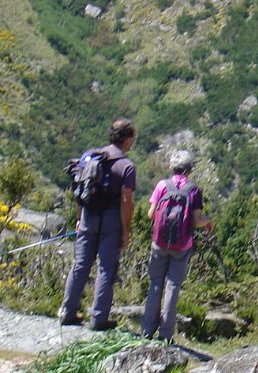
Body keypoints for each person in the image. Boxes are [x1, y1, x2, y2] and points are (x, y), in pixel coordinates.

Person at [59, 118, 136, 331]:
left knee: (80, 264)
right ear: (127, 139)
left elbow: (79, 191)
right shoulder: (126, 166)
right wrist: (126, 230)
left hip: (87, 216)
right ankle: (98, 318)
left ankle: (67, 312)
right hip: (110, 221)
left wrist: (79, 218)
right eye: (132, 138)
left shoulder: (91, 157)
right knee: (106, 268)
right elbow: (126, 202)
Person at [141, 149, 213, 341]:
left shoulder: (162, 185)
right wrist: (208, 221)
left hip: (159, 242)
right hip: (182, 245)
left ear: (171, 167)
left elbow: (150, 214)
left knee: (155, 284)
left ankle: (147, 331)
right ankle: (165, 335)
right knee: (172, 287)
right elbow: (196, 221)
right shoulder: (193, 190)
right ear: (190, 169)